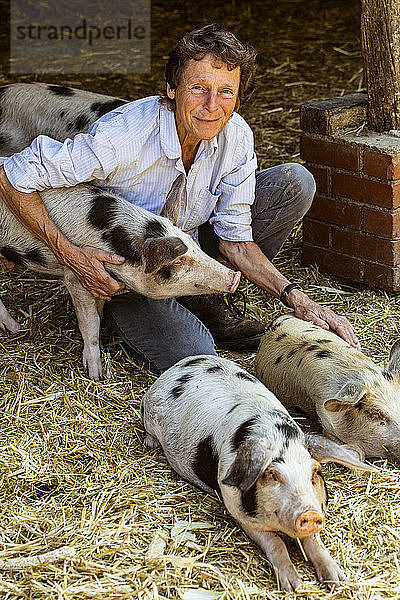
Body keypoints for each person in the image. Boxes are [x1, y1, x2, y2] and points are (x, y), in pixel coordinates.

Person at [0, 24, 358, 374]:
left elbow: (238, 243)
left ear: (239, 96)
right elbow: (12, 174)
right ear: (171, 89)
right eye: (198, 88)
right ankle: (125, 313)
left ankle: (204, 296)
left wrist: (299, 300)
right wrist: (72, 255)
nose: (211, 106)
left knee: (294, 182)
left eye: (226, 92)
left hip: (190, 246)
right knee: (197, 355)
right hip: (131, 269)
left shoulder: (235, 136)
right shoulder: (120, 138)